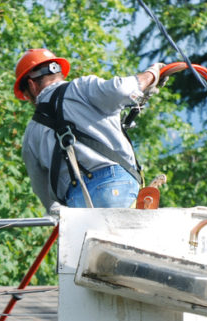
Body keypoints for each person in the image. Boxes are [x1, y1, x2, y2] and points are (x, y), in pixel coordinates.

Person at [15, 48, 163, 210]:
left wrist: (61, 217)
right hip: (116, 183)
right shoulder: (81, 88)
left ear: (31, 86)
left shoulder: (31, 134)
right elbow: (123, 90)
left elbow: (46, 197)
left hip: (76, 202)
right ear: (59, 74)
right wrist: (152, 74)